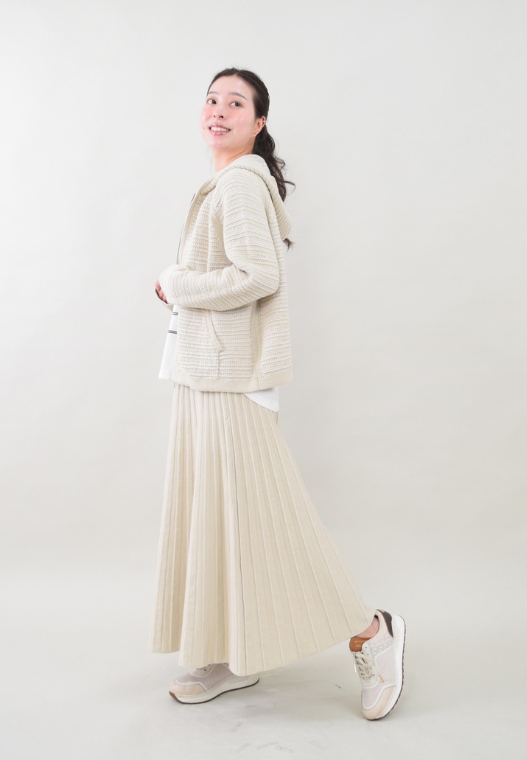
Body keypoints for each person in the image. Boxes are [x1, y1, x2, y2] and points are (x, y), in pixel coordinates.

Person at [150, 67, 406, 721]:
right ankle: (225, 654)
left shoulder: (240, 183)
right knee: (214, 517)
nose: (218, 109)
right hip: (203, 373)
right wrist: (182, 289)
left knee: (269, 517)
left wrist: (177, 283)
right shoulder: (225, 183)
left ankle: (372, 632)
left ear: (258, 122)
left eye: (235, 102)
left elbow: (258, 275)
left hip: (230, 377)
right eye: (211, 99)